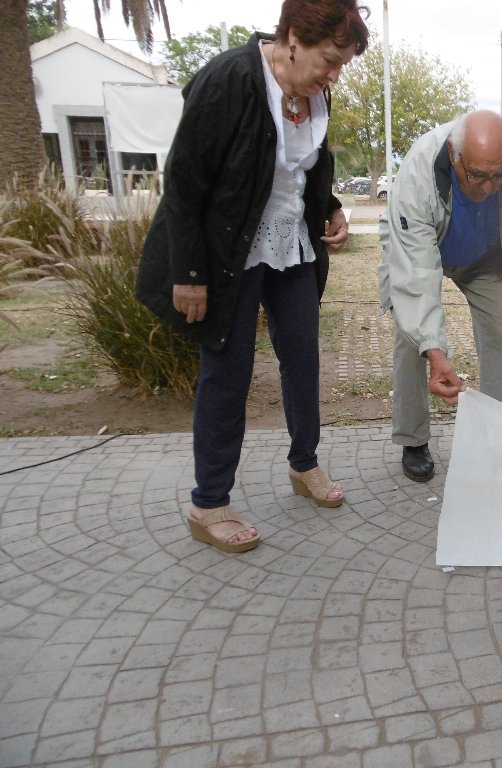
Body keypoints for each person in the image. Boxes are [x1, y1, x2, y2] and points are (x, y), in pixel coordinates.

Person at [136, 0, 369, 553]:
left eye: (342, 65)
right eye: (330, 59)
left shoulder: (316, 93)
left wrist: (329, 209)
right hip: (224, 256)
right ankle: (208, 502)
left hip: (290, 247)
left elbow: (307, 165)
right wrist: (189, 273)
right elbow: (186, 182)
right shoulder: (230, 80)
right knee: (228, 372)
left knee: (303, 358)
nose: (334, 74)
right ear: (293, 37)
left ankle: (304, 464)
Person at [378, 111, 502, 482]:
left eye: (499, 175)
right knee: (412, 335)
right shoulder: (417, 175)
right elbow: (417, 273)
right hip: (423, 247)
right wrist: (434, 349)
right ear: (453, 153)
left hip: (483, 252)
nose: (487, 188)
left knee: (501, 333)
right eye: (477, 175)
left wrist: (493, 178)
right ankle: (413, 438)